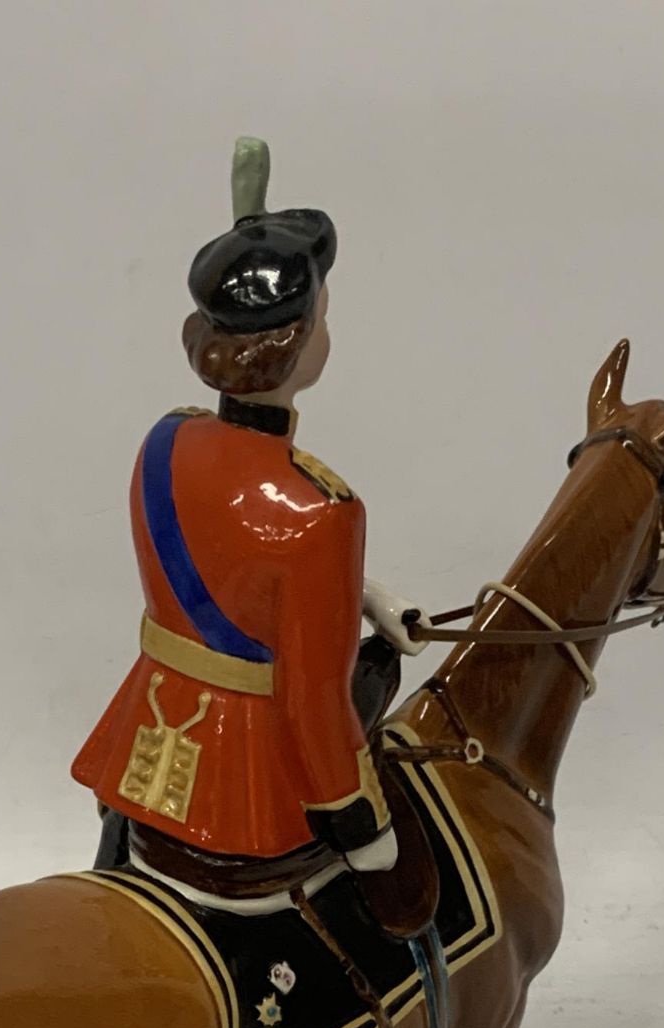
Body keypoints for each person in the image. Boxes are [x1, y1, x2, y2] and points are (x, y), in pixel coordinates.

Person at [72, 142, 427, 883]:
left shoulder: (164, 440)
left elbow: (234, 566)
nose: (329, 333)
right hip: (245, 776)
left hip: (147, 737)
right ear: (298, 347)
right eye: (324, 317)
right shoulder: (324, 512)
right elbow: (313, 707)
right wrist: (358, 823)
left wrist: (365, 596)